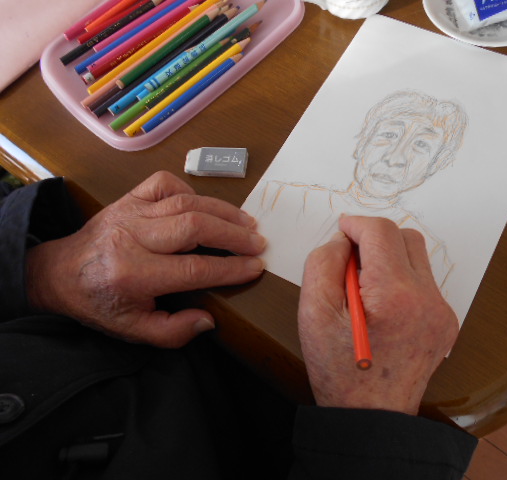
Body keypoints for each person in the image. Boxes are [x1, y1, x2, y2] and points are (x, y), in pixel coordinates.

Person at [0, 171, 477, 479]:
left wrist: (40, 272)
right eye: (389, 134)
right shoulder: (297, 196)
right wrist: (371, 423)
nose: (397, 156)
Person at [248, 90, 468, 291]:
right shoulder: (275, 196)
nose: (394, 158)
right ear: (362, 143)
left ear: (433, 166)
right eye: (389, 135)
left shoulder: (431, 253)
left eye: (421, 145)